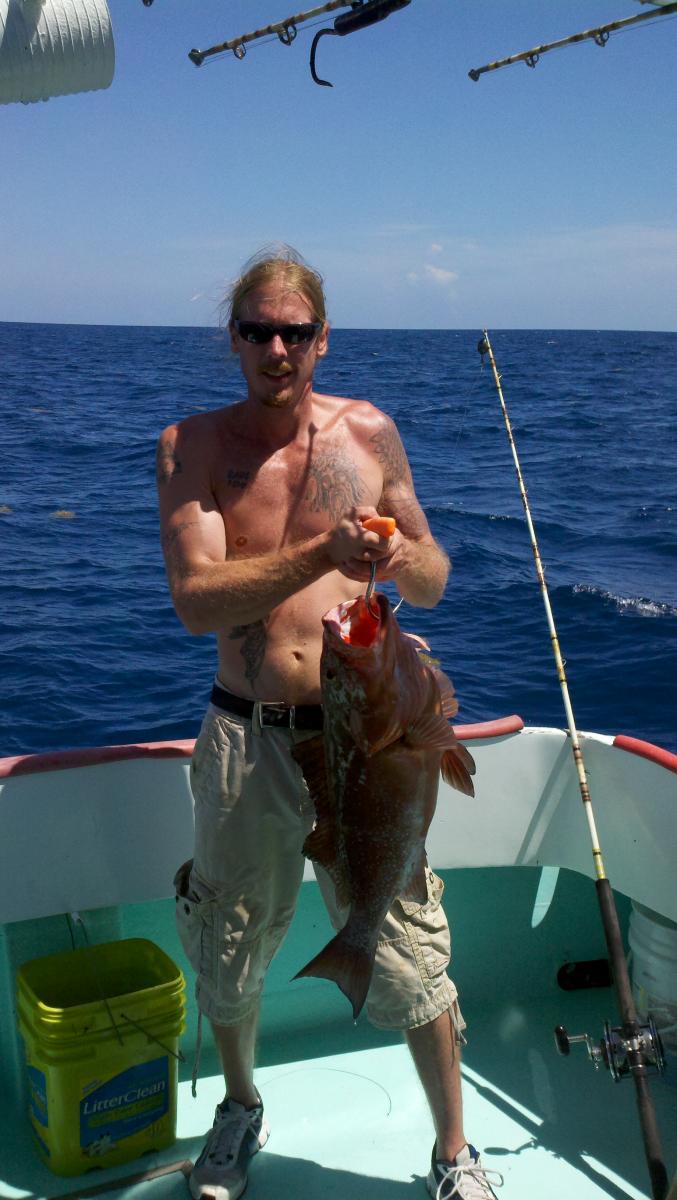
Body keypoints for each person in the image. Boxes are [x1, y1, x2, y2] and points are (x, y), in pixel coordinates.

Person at [157, 246, 501, 1200]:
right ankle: (239, 1108)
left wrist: (399, 557)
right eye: (258, 330)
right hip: (250, 737)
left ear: (322, 338)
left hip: (371, 737)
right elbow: (196, 601)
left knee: (409, 944)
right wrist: (322, 553)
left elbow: (432, 577)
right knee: (230, 938)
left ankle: (453, 1153)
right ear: (233, 339)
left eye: (295, 331)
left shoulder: (370, 433)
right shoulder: (191, 448)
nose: (277, 348)